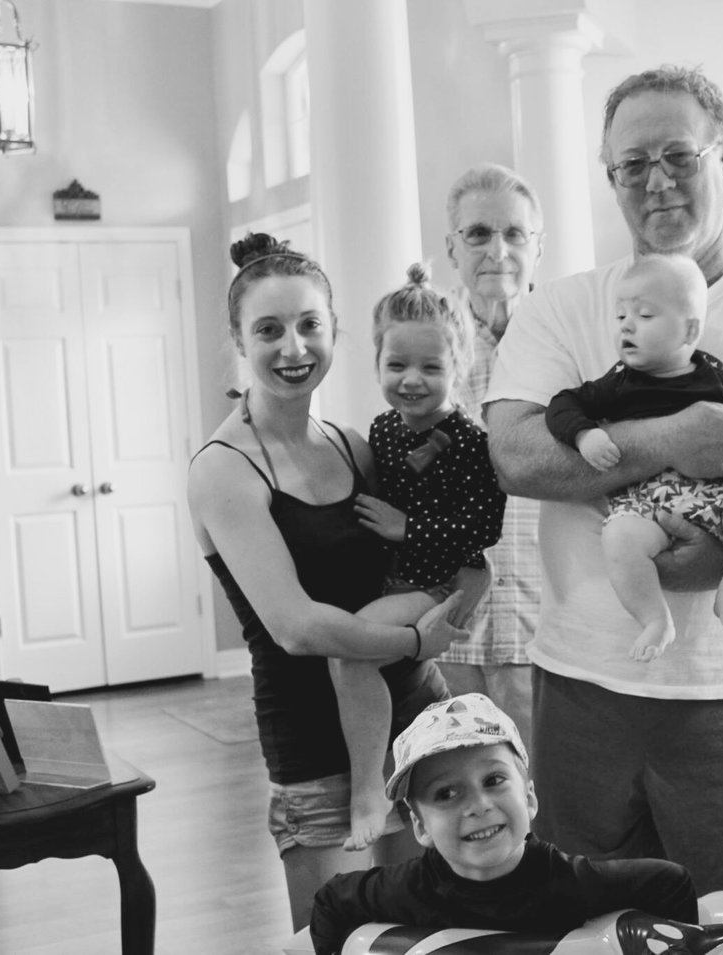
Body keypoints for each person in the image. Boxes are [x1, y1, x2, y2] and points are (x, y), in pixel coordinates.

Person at [485, 65, 723, 903]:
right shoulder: (559, 310)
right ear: (609, 177)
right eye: (631, 164)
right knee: (587, 921)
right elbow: (517, 455)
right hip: (583, 682)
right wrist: (671, 439)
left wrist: (720, 563)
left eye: (679, 156)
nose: (656, 181)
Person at [187, 233, 467, 932]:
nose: (294, 348)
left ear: (334, 330)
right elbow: (297, 627)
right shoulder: (223, 469)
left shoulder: (355, 446)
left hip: (419, 721)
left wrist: (459, 596)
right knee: (339, 941)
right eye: (269, 330)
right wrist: (414, 639)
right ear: (238, 339)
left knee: (432, 936)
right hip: (312, 743)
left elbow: (426, 557)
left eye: (309, 324)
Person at [309, 693, 698, 955]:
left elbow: (670, 882)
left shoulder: (572, 883)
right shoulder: (406, 890)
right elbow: (331, 901)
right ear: (421, 826)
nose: (478, 805)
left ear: (528, 798)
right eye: (446, 793)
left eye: (493, 780)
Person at [336, 263, 507, 850]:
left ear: (458, 366)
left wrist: (407, 527)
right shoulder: (383, 429)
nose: (412, 380)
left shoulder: (471, 442)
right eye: (397, 365)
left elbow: (483, 528)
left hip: (434, 582)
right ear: (377, 363)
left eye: (431, 367)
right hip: (392, 577)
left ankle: (368, 791)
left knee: (350, 650)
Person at [545, 253, 723, 658]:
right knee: (618, 539)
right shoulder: (619, 383)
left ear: (689, 329)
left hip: (719, 496)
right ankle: (655, 618)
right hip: (647, 505)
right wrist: (584, 434)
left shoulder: (717, 378)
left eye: (644, 315)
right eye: (620, 315)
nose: (626, 325)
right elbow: (563, 404)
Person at [436, 163, 547, 752]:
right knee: (460, 777)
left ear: (537, 247)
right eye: (478, 233)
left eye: (514, 234)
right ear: (451, 247)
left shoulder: (566, 343)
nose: (497, 251)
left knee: (545, 788)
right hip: (452, 622)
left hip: (547, 619)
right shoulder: (428, 345)